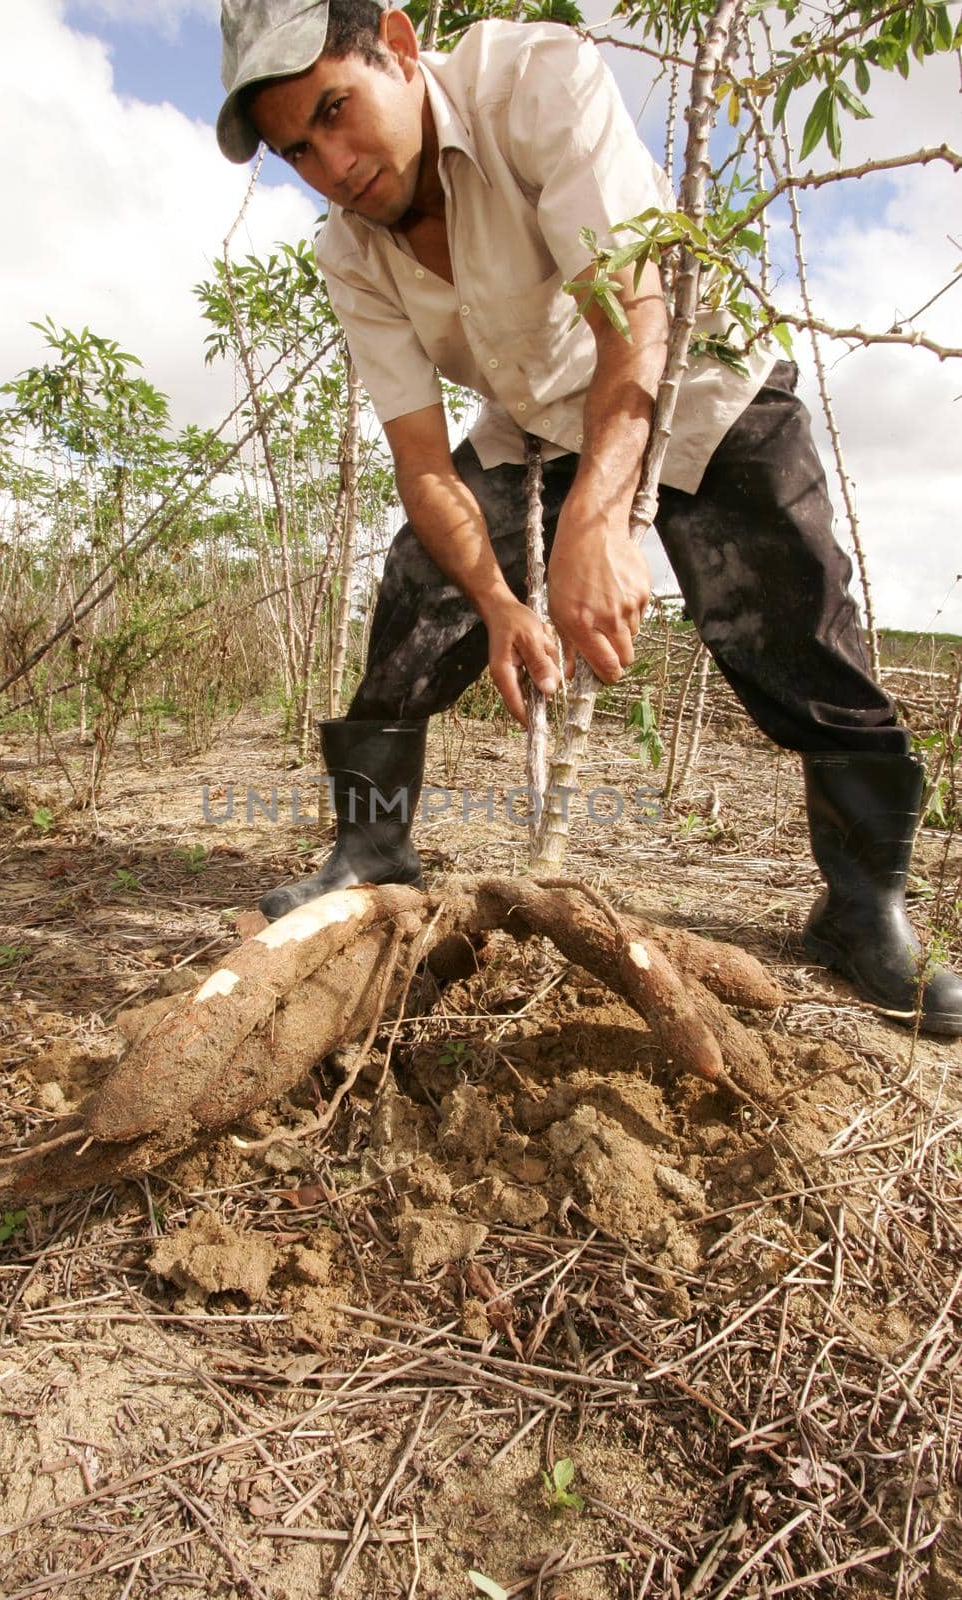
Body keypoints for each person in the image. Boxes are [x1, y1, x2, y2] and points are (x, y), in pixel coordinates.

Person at [213, 0, 962, 1037]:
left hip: (689, 376)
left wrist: (594, 527)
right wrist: (499, 602)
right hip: (528, 427)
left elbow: (635, 319)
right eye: (298, 149)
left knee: (789, 622)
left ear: (394, 42)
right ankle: (371, 851)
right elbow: (422, 464)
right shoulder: (352, 252)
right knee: (413, 603)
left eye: (337, 112)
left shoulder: (533, 81)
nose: (332, 164)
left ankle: (863, 909)